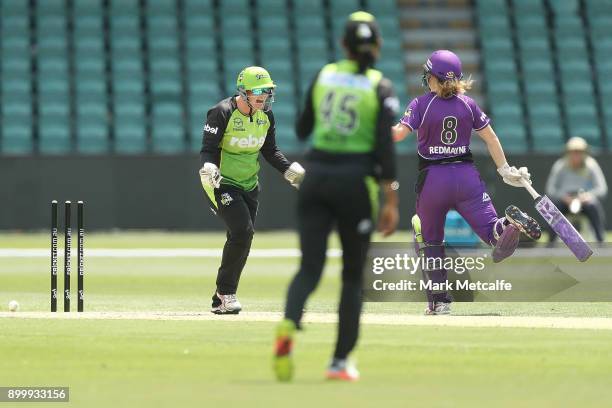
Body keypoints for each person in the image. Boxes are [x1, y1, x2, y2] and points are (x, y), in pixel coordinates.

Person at [273, 11, 400, 382]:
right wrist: (390, 197)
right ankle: (339, 362)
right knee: (350, 277)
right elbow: (384, 149)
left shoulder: (324, 75)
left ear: (343, 44)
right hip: (354, 184)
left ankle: (289, 323)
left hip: (316, 179)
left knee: (309, 268)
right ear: (377, 46)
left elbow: (302, 127)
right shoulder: (380, 85)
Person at [392, 50, 542, 315]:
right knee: (493, 236)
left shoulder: (420, 104)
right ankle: (508, 223)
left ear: (433, 79)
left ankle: (440, 302)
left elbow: (398, 134)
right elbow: (491, 138)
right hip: (466, 177)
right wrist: (505, 169)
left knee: (430, 241)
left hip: (433, 180)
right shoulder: (468, 104)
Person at [199, 66, 305, 315]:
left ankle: (220, 297)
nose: (263, 96)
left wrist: (291, 173)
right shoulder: (222, 112)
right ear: (243, 91)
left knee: (243, 237)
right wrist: (209, 167)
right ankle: (225, 294)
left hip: (250, 184)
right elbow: (208, 148)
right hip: (221, 182)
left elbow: (270, 151)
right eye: (258, 91)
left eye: (267, 91)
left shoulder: (266, 115)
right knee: (242, 231)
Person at [545, 136, 607, 243]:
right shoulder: (560, 166)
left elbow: (602, 188)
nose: (576, 155)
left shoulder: (591, 165)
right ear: (568, 152)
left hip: (584, 201)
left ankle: (601, 242)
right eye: (573, 151)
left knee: (593, 205)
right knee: (553, 208)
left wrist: (588, 196)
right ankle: (550, 243)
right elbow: (550, 188)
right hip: (564, 200)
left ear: (584, 153)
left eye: (579, 152)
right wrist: (563, 197)